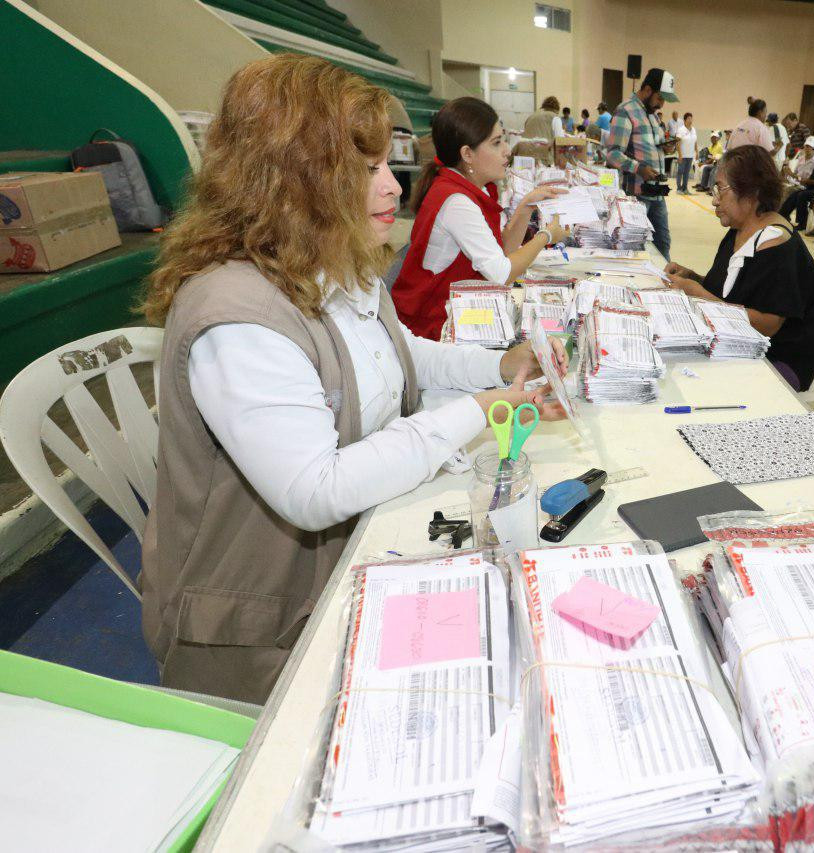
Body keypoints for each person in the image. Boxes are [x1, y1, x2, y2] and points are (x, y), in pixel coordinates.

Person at [137, 55, 567, 703]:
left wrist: (499, 366)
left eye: (386, 164)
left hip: (343, 556)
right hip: (260, 625)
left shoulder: (329, 257)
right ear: (293, 180)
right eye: (366, 171)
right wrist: (482, 408)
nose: (393, 187)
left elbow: (401, 353)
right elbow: (315, 488)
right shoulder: (237, 315)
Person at [394, 98, 571, 339]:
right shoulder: (457, 202)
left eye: (504, 139)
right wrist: (546, 236)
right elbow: (502, 273)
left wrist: (526, 206)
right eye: (496, 143)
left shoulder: (474, 187)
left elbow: (502, 251)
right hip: (434, 327)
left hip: (458, 311)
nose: (507, 150)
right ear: (467, 154)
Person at [663, 145, 814, 391]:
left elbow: (766, 324)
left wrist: (698, 294)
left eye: (721, 189)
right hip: (745, 341)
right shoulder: (740, 229)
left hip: (786, 355)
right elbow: (730, 291)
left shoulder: (776, 246)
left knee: (698, 384)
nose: (714, 200)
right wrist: (692, 278)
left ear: (752, 192)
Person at [605, 67, 680, 259]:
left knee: (663, 244)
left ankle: (664, 278)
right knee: (635, 246)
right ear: (647, 90)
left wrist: (666, 147)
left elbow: (653, 145)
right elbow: (613, 154)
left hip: (657, 193)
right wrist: (638, 168)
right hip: (637, 195)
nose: (661, 104)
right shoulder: (625, 111)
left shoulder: (652, 115)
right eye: (660, 98)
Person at [777, 140, 814, 230]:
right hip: (800, 183)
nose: (807, 149)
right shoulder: (801, 158)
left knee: (795, 193)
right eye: (805, 147)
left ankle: (794, 219)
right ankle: (783, 215)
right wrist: (790, 175)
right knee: (788, 190)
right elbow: (796, 173)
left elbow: (809, 179)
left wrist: (792, 175)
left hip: (808, 185)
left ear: (813, 149)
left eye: (809, 147)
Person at [675, 112, 698, 194]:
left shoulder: (693, 129)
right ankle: (679, 189)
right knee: (680, 172)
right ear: (684, 120)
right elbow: (677, 143)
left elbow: (695, 141)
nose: (690, 120)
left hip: (690, 155)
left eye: (691, 118)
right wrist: (680, 155)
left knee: (686, 173)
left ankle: (685, 188)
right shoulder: (680, 130)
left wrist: (697, 152)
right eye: (689, 118)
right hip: (682, 155)